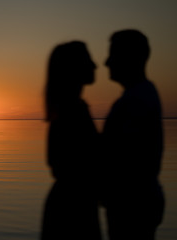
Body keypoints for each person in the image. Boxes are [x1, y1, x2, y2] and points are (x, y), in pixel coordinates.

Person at [102, 29, 165, 240]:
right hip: (139, 203)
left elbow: (124, 158)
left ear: (129, 58)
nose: (106, 62)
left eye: (112, 55)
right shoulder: (142, 95)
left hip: (132, 207)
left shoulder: (136, 101)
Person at [41, 41, 101, 240]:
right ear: (74, 67)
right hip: (73, 209)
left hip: (71, 204)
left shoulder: (71, 108)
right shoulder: (72, 111)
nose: (95, 66)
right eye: (88, 60)